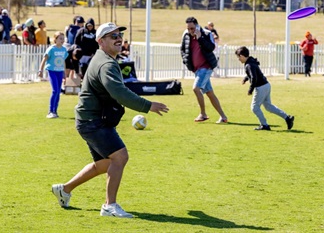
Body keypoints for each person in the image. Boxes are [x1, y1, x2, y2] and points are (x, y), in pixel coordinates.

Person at [51, 22, 169, 218]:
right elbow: (119, 92)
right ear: (101, 41)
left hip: (90, 120)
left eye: (119, 34)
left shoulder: (104, 58)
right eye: (112, 35)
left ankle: (64, 189)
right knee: (120, 157)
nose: (118, 38)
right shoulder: (106, 63)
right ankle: (109, 206)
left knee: (105, 164)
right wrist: (148, 106)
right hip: (92, 121)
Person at [180, 16, 228, 123]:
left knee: (196, 89)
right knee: (210, 93)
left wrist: (200, 37)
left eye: (192, 28)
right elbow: (183, 49)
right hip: (196, 69)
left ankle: (203, 114)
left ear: (197, 26)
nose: (190, 31)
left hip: (206, 67)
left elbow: (211, 47)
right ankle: (223, 117)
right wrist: (185, 60)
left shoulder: (206, 33)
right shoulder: (186, 35)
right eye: (188, 29)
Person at [235, 46, 294, 131]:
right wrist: (245, 78)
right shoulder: (251, 62)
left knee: (254, 107)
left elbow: (254, 77)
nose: (238, 59)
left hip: (260, 87)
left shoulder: (249, 64)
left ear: (241, 56)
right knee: (268, 106)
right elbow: (254, 74)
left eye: (238, 57)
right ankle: (287, 118)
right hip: (266, 85)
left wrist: (250, 89)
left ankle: (264, 125)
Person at [37, 32, 68, 118]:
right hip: (52, 71)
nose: (62, 40)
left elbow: (63, 61)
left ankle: (55, 111)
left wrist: (64, 73)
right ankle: (50, 111)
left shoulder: (64, 49)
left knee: (58, 92)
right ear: (55, 39)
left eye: (63, 38)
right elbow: (44, 59)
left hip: (60, 72)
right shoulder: (51, 49)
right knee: (55, 90)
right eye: (60, 38)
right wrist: (40, 70)